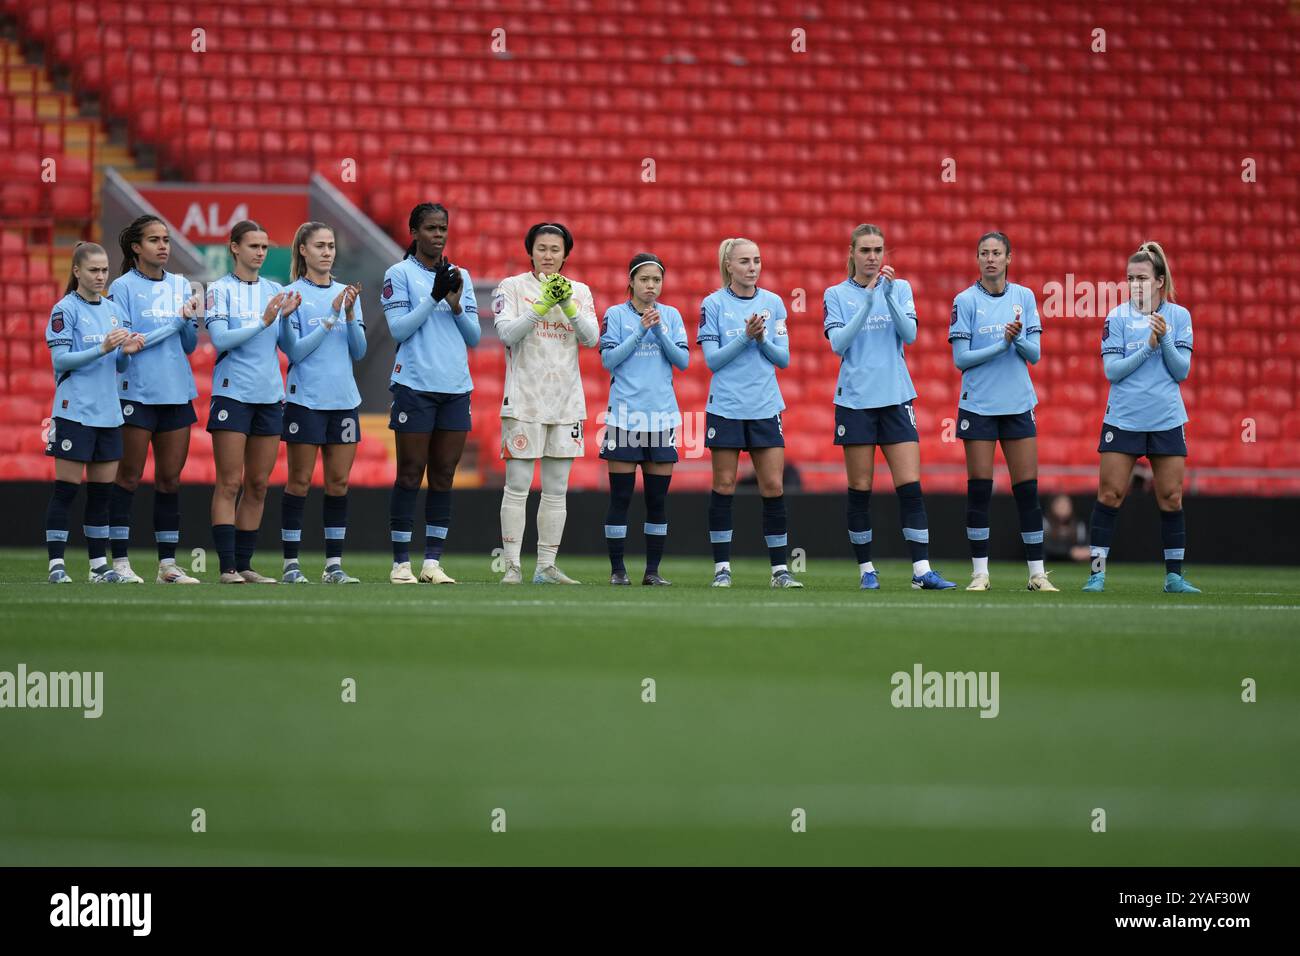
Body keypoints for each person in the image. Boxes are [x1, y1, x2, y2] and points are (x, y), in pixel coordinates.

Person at [823, 224, 954, 590]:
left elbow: (909, 336)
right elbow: (839, 344)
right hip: (856, 401)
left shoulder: (902, 289)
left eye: (878, 250)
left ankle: (921, 571)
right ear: (851, 252)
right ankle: (866, 570)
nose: (872, 257)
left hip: (896, 399)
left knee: (910, 486)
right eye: (865, 250)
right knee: (860, 488)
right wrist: (866, 301)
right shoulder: (835, 294)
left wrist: (889, 297)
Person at [1084, 241, 1199, 593]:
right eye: (1130, 278)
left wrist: (1162, 340)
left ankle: (1174, 577)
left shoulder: (1178, 317)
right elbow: (1112, 372)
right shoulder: (1116, 318)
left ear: (1160, 281)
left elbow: (1181, 371)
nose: (1135, 285)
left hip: (1166, 418)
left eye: (1142, 278)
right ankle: (1097, 573)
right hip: (1124, 418)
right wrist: (1148, 346)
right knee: (1110, 495)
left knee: (1171, 497)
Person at [492, 222, 599, 584]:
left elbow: (591, 339)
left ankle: (545, 566)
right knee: (518, 485)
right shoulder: (512, 287)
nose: (548, 255)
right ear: (531, 252)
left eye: (555, 249)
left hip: (566, 401)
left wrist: (566, 303)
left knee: (556, 489)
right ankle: (512, 566)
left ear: (566, 254)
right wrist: (541, 305)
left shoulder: (580, 291)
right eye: (542, 249)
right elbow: (506, 333)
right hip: (524, 398)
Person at [949, 231, 1056, 591]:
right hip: (978, 404)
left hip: (1017, 403)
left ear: (1009, 258)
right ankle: (980, 573)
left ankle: (1037, 574)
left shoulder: (1023, 296)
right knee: (980, 489)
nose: (990, 258)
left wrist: (1019, 340)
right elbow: (961, 359)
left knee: (1026, 490)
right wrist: (1001, 344)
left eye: (996, 252)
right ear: (977, 259)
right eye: (984, 253)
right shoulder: (965, 301)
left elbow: (1035, 354)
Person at [380, 202, 479, 585]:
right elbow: (399, 330)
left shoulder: (461, 276)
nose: (438, 235)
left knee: (443, 475)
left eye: (443, 229)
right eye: (431, 228)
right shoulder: (399, 273)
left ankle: (432, 562)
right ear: (414, 232)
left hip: (455, 387)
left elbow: (472, 337)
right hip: (415, 385)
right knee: (409, 473)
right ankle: (400, 562)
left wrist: (455, 306)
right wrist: (433, 298)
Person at [699, 237, 801, 588]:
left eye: (756, 260)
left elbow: (784, 359)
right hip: (726, 406)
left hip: (764, 406)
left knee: (773, 486)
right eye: (744, 261)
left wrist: (761, 340)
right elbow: (712, 361)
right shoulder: (712, 304)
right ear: (729, 265)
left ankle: (779, 571)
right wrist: (745, 338)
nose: (752, 267)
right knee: (724, 485)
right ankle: (722, 569)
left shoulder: (773, 303)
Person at [107, 215, 202, 584]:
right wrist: (175, 323)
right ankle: (119, 562)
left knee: (169, 481)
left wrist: (190, 321)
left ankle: (167, 566)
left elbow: (190, 345)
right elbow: (128, 344)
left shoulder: (182, 284)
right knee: (128, 477)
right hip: (137, 392)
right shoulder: (122, 288)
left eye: (166, 239)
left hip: (177, 391)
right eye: (153, 240)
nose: (163, 246)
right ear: (136, 247)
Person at [206, 220, 301, 583]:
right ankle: (227, 566)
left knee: (259, 484)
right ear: (234, 248)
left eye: (264, 247)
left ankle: (245, 565)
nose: (260, 253)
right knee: (230, 482)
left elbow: (289, 349)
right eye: (253, 246)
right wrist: (264, 321)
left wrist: (287, 321)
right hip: (233, 393)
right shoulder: (219, 290)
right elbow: (220, 340)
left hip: (269, 395)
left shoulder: (274, 290)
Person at [43, 242, 145, 582]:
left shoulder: (112, 311)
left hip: (109, 413)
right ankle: (57, 564)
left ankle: (97, 566)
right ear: (76, 272)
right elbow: (61, 361)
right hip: (75, 412)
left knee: (101, 494)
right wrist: (101, 346)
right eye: (93, 270)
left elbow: (116, 364)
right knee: (67, 490)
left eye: (104, 270)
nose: (101, 276)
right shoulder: (64, 310)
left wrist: (126, 352)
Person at [279, 221, 366, 583]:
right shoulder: (291, 295)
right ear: (303, 250)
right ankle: (291, 564)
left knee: (338, 483)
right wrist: (331, 316)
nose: (327, 252)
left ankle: (333, 566)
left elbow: (359, 352)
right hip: (306, 400)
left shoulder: (347, 294)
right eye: (320, 246)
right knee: (299, 482)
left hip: (343, 401)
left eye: (331, 246)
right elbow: (295, 351)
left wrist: (347, 313)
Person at [598, 252, 688, 586]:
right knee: (620, 498)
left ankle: (652, 571)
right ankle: (618, 570)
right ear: (631, 282)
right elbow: (609, 360)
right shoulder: (615, 315)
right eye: (645, 279)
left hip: (661, 418)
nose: (651, 286)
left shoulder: (672, 316)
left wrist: (660, 331)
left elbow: (683, 361)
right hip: (624, 417)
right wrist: (639, 332)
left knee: (656, 500)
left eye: (656, 280)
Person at [1043, 494, 1090, 563]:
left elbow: (1084, 544)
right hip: (1049, 564)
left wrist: (1086, 551)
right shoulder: (1045, 523)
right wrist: (1069, 552)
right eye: (1060, 504)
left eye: (1066, 504)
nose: (1063, 507)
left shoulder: (1078, 525)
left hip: (1075, 566)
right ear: (1052, 506)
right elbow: (1044, 547)